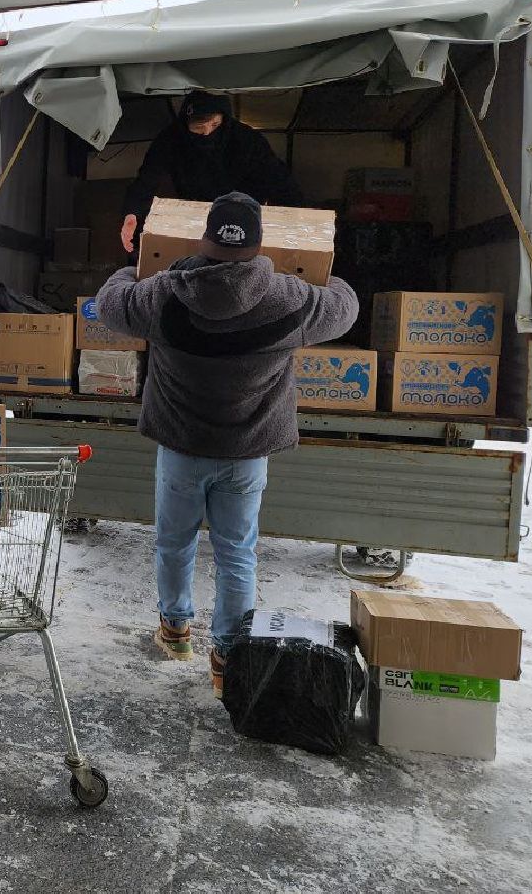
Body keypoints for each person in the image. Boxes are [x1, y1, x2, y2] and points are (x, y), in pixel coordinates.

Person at [95, 192, 358, 697]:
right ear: (261, 245)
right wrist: (330, 271)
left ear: (204, 238)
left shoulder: (163, 294)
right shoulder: (293, 299)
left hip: (181, 447)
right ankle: (228, 657)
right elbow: (344, 307)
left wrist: (130, 268)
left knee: (175, 542)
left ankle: (175, 630)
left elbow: (111, 304)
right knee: (237, 552)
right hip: (247, 453)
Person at [120, 90, 303, 255]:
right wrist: (132, 213)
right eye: (199, 127)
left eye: (215, 125)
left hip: (244, 209)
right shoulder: (171, 139)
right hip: (197, 209)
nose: (207, 133)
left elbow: (278, 178)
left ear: (224, 118)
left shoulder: (246, 138)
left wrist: (297, 215)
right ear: (186, 123)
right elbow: (146, 180)